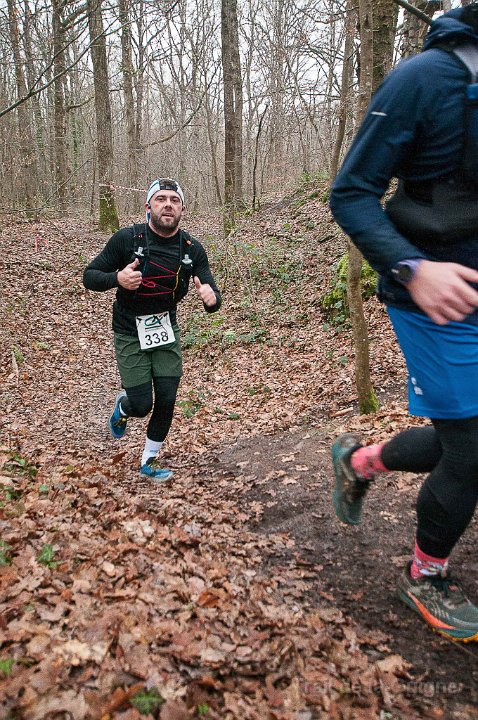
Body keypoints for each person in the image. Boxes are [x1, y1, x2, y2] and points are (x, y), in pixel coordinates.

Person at [329, 5, 478, 642]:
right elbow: (351, 192)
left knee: (461, 442)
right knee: (471, 450)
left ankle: (361, 462)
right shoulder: (423, 79)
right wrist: (413, 268)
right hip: (435, 300)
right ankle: (425, 575)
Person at [83, 178, 221, 481]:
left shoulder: (191, 249)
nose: (168, 205)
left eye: (174, 200)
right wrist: (117, 279)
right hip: (129, 329)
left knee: (168, 397)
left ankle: (149, 461)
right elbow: (89, 276)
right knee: (142, 404)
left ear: (183, 209)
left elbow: (212, 293)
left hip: (165, 327)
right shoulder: (126, 239)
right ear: (148, 206)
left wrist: (211, 299)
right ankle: (124, 407)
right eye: (161, 199)